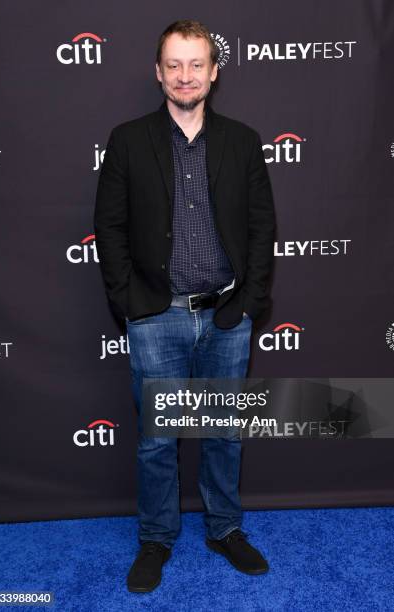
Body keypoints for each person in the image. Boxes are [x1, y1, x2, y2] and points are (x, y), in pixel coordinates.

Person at [94, 19, 276, 593]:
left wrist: (248, 304)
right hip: (156, 314)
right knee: (157, 440)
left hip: (226, 314)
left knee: (222, 432)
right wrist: (130, 303)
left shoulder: (243, 141)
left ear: (214, 72)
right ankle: (156, 538)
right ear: (157, 72)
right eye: (174, 64)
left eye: (196, 64)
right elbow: (110, 226)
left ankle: (225, 528)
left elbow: (261, 228)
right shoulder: (127, 139)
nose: (185, 75)